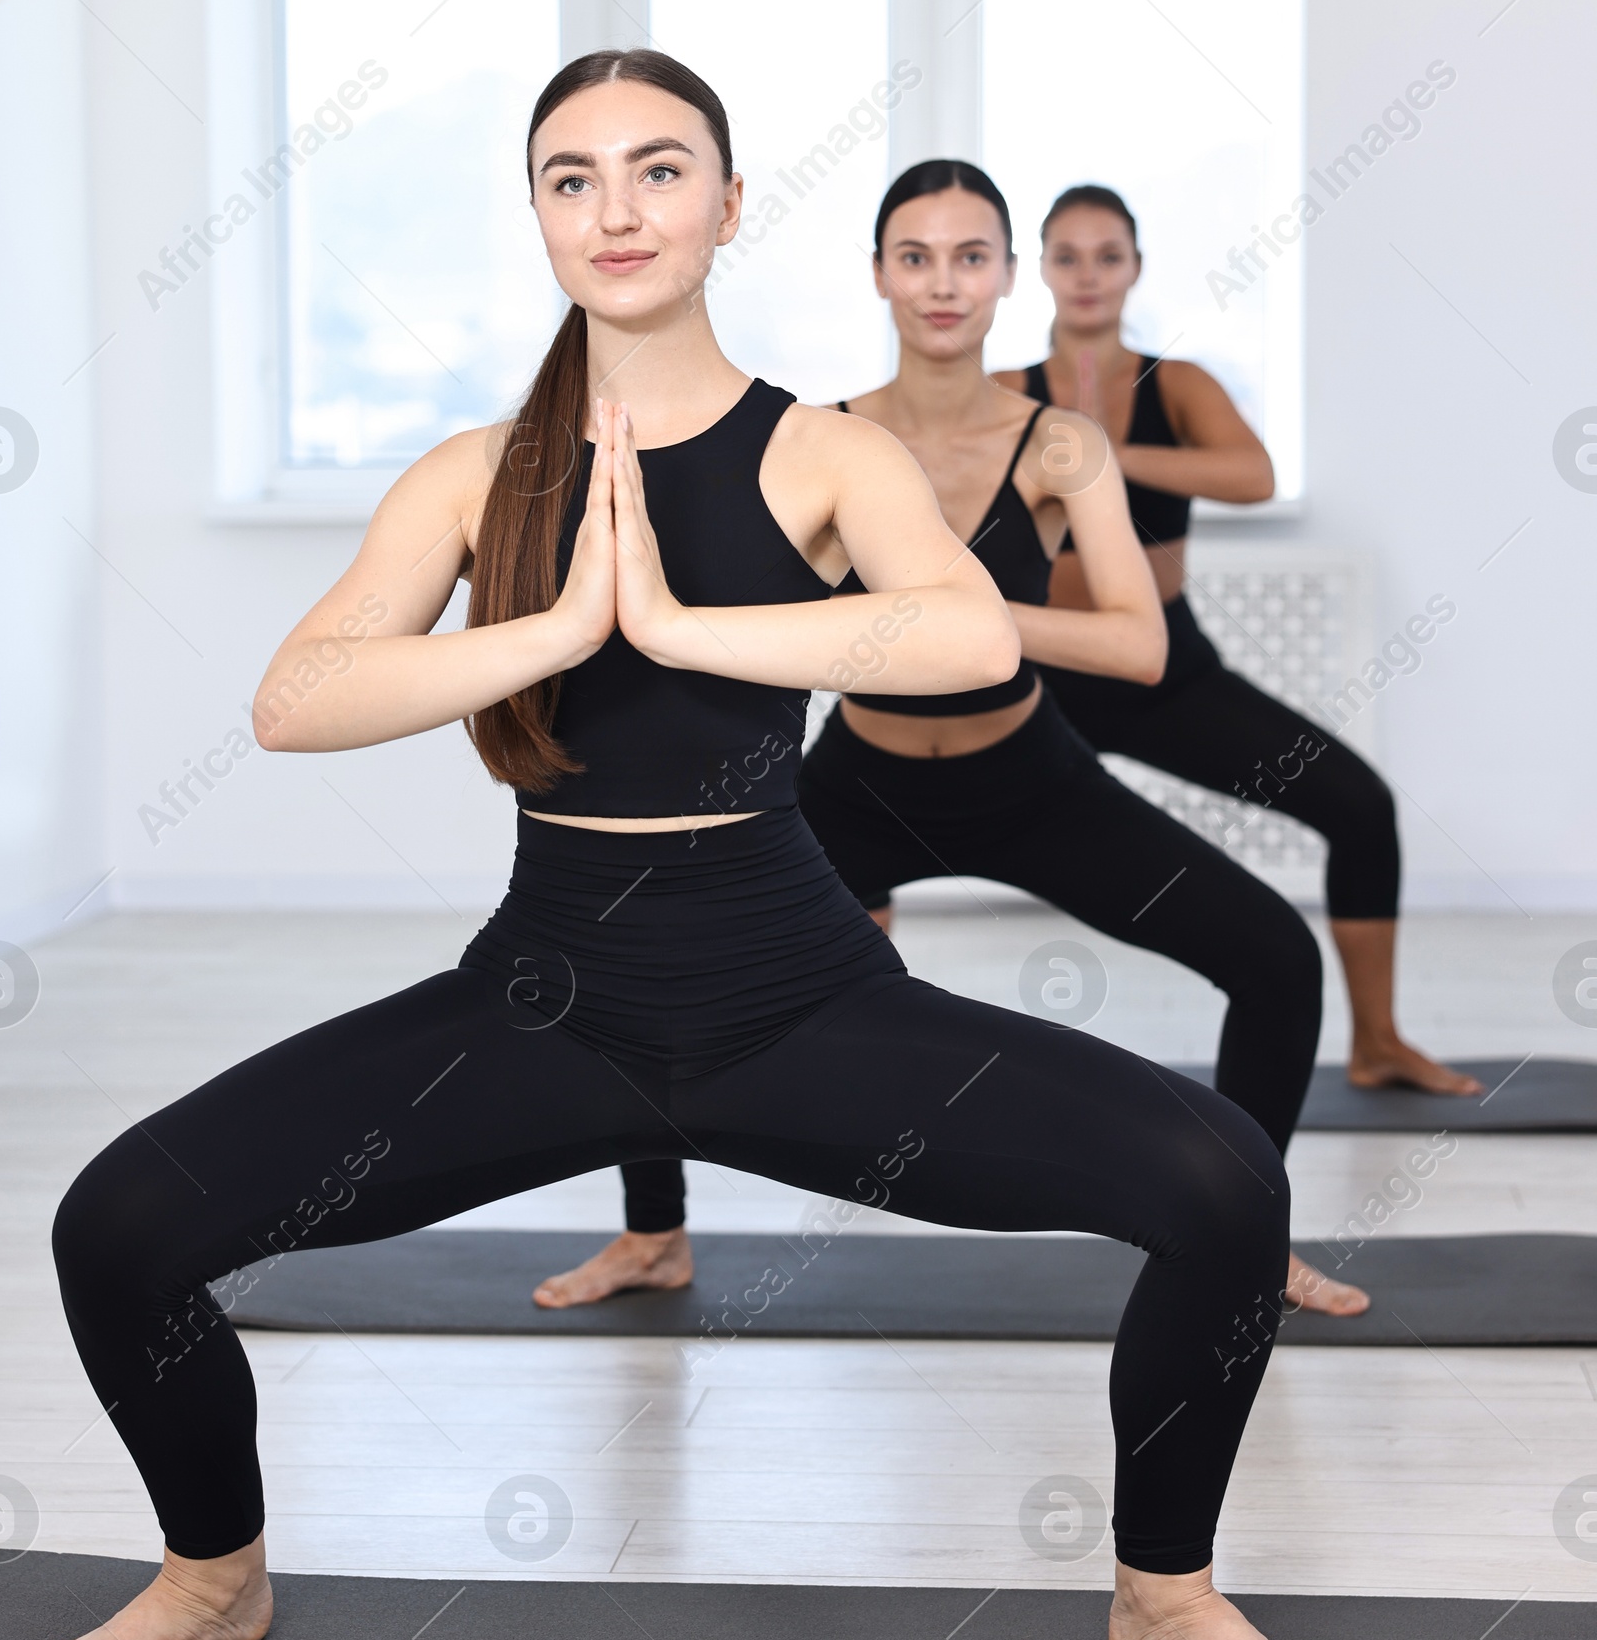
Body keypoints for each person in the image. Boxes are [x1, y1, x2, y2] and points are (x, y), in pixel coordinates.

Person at [41, 52, 1334, 1640]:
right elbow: (295, 703)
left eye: (660, 169)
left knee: (1227, 1182)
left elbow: (959, 630)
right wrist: (557, 628)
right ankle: (216, 1566)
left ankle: (1167, 1589)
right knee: (117, 1226)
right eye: (573, 176)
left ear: (727, 206)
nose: (617, 206)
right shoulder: (469, 472)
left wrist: (686, 627)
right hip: (547, 1000)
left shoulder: (816, 451)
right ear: (540, 218)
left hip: (799, 997)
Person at [538, 161, 1363, 1320]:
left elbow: (1137, 647)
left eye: (969, 256)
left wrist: (949, 611)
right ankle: (655, 1235)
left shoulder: (1058, 444)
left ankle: (1254, 1243)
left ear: (1006, 278)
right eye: (914, 256)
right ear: (879, 273)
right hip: (860, 781)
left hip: (1028, 774)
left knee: (1275, 956)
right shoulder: (818, 436)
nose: (942, 282)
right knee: (647, 938)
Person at [995, 184, 1478, 1101]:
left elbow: (1250, 473)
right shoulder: (1002, 391)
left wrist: (1095, 454)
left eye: (1108, 255)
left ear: (1134, 267)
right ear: (1037, 270)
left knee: (1360, 805)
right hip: (1040, 678)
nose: (1089, 274)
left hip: (1164, 668)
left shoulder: (1177, 383)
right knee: (858, 822)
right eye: (1068, 255)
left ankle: (1376, 1040)